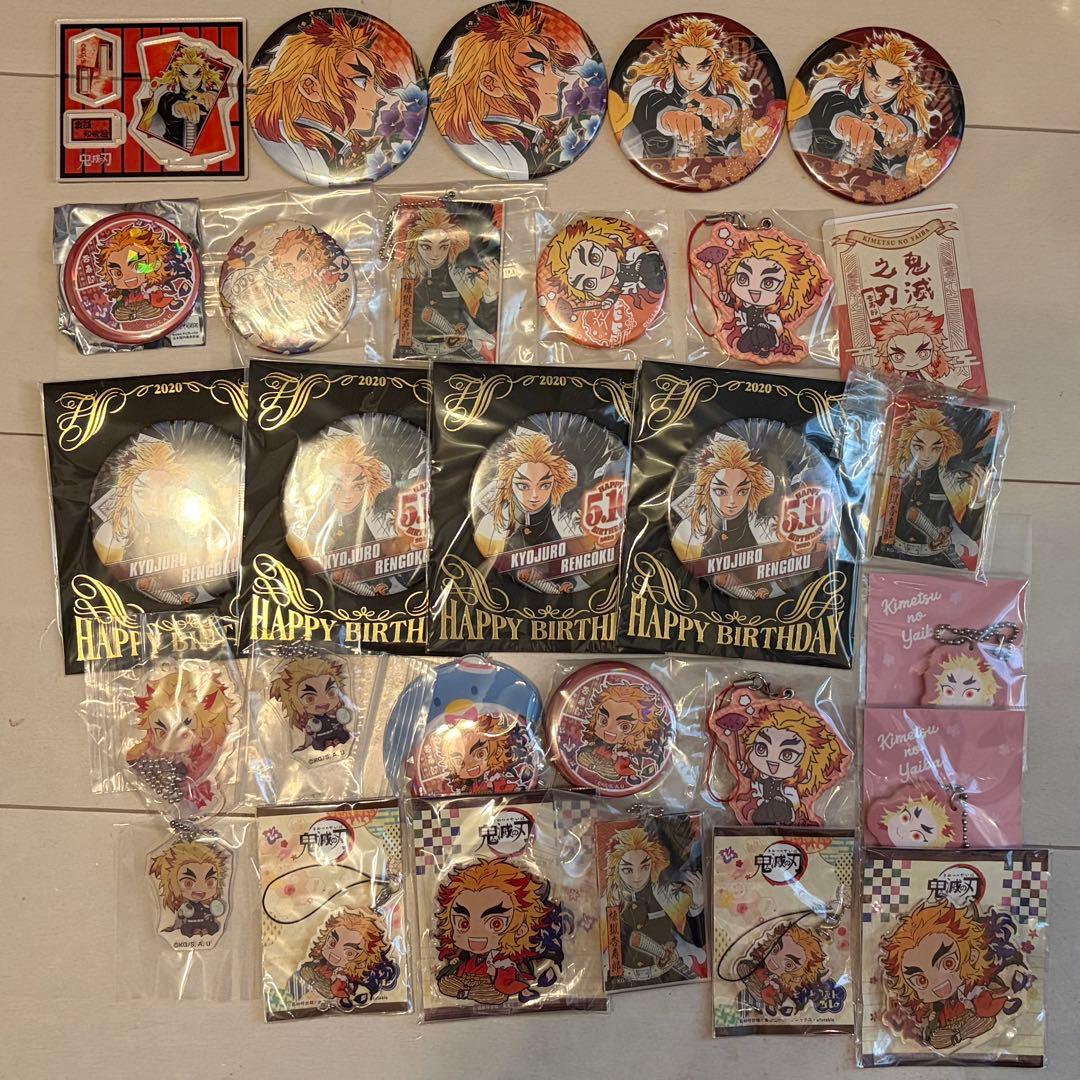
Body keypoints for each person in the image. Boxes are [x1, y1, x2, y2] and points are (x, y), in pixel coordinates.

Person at [429, 3, 578, 179]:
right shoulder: (487, 151)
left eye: (552, 67)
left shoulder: (526, 144)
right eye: (538, 67)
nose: (559, 78)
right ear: (491, 83)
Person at [620, 16, 752, 160]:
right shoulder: (651, 91)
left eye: (703, 67)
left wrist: (726, 106)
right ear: (670, 61)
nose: (691, 76)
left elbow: (733, 104)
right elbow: (651, 104)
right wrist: (668, 116)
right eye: (683, 65)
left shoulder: (726, 93)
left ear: (716, 65)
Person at [434, 857, 563, 1005]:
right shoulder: (467, 956)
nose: (476, 935)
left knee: (496, 992)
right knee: (446, 982)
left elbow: (511, 978)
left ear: (521, 929)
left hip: (491, 985)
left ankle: (471, 992)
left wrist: (496, 973)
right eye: (463, 924)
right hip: (468, 979)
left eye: (496, 923)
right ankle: (468, 992)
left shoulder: (506, 959)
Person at [602, 827, 706, 985]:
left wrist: (697, 904)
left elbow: (696, 940)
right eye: (627, 870)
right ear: (616, 869)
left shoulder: (664, 894)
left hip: (670, 978)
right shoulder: (610, 901)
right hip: (624, 983)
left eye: (644, 867)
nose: (637, 877)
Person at [149, 840, 228, 938]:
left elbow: (211, 912)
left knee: (213, 926)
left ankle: (205, 930)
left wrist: (210, 915)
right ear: (172, 884)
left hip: (205, 922)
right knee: (186, 928)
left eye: (210, 882)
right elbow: (181, 917)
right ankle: (194, 931)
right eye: (188, 883)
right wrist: (181, 915)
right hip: (190, 923)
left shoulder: (207, 905)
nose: (200, 889)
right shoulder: (186, 906)